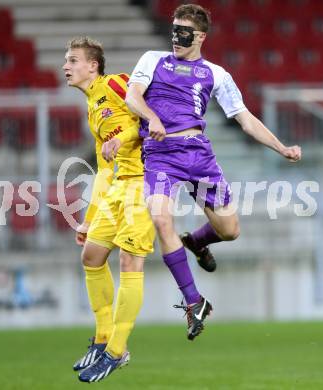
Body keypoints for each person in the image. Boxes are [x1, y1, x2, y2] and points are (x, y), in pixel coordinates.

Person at [102, 4, 301, 340]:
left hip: (198, 155)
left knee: (230, 230)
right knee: (161, 219)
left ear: (200, 37)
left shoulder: (216, 74)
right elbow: (132, 97)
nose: (176, 39)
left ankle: (195, 241)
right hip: (161, 155)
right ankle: (194, 301)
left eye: (184, 33)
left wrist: (281, 147)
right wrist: (151, 118)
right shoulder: (153, 59)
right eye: (174, 31)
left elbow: (244, 118)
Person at [62, 36, 155, 383]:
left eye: (72, 60)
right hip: (117, 186)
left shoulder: (115, 82)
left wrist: (125, 137)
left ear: (92, 66)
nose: (65, 66)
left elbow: (147, 117)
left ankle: (117, 350)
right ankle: (102, 340)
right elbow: (103, 168)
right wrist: (87, 219)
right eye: (66, 61)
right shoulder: (92, 107)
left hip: (145, 182)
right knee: (91, 256)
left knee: (129, 260)